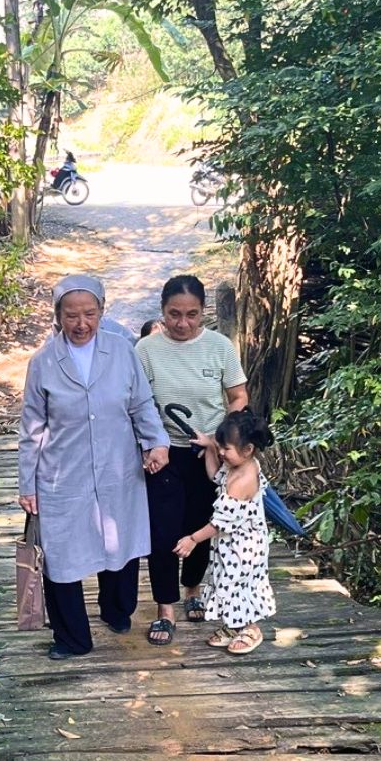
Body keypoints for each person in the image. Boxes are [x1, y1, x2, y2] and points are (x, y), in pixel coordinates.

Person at [19, 274, 170, 660]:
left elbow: (141, 404)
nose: (81, 323)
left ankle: (117, 611)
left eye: (89, 313)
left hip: (117, 468)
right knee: (60, 556)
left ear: (102, 311)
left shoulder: (122, 352)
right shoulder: (43, 363)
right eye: (71, 315)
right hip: (61, 475)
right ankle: (72, 638)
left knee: (120, 543)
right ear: (58, 316)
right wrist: (27, 484)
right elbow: (31, 427)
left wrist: (156, 442)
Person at [136, 274, 249, 645]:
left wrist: (219, 439)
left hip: (209, 454)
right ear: (162, 311)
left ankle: (193, 589)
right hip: (163, 453)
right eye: (174, 314)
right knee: (163, 533)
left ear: (203, 312)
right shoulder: (146, 350)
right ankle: (165, 608)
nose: (182, 323)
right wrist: (150, 444)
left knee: (201, 524)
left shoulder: (219, 347)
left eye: (192, 315)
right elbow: (136, 403)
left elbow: (238, 397)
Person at [173, 409, 276, 654]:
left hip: (245, 546)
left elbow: (219, 523)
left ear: (248, 449)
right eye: (220, 447)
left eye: (225, 448)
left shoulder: (243, 480)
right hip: (230, 544)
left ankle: (251, 628)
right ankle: (233, 624)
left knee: (241, 585)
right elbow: (215, 477)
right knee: (225, 582)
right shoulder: (237, 466)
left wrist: (192, 539)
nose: (221, 453)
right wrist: (210, 447)